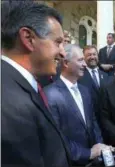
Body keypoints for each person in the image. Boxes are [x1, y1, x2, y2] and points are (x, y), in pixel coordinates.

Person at [1, 1, 70, 167]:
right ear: (28, 38)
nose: (62, 52)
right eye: (58, 42)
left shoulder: (18, 84)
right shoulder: (10, 103)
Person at [44, 44, 114, 165]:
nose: (85, 64)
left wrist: (100, 146)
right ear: (66, 63)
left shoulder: (85, 91)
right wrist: (88, 153)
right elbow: (55, 138)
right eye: (81, 60)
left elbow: (93, 122)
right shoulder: (50, 94)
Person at [78, 45, 110, 124]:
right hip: (89, 121)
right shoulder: (79, 76)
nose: (92, 57)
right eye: (89, 55)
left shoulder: (106, 76)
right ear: (84, 57)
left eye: (94, 54)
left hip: (106, 122)